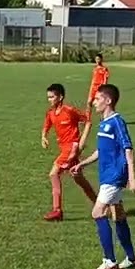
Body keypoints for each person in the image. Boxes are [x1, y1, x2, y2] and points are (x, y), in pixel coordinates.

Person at [71, 83, 135, 269]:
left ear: (108, 101)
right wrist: (82, 164)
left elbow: (128, 149)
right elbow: (100, 151)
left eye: (97, 99)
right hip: (107, 175)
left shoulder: (117, 122)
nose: (93, 102)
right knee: (118, 215)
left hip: (114, 175)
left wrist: (132, 178)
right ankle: (131, 258)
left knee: (97, 212)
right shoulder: (103, 123)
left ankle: (109, 261)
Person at [41, 83, 97, 221]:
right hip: (64, 148)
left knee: (53, 173)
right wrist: (44, 137)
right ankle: (100, 205)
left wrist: (80, 143)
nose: (49, 100)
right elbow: (47, 125)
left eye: (52, 97)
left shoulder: (69, 111)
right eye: (48, 97)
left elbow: (88, 122)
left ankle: (57, 210)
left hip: (71, 149)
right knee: (78, 178)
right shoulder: (51, 113)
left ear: (60, 97)